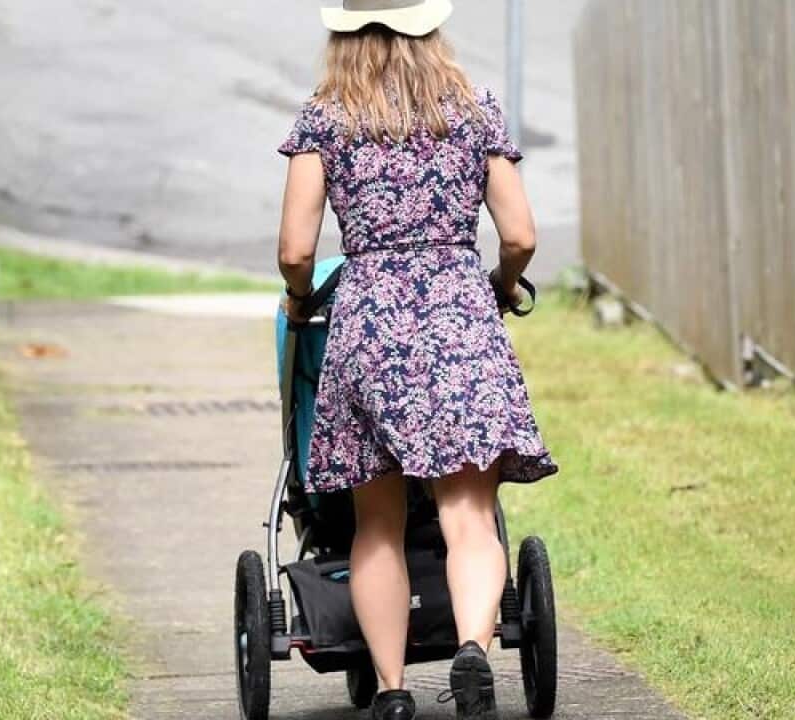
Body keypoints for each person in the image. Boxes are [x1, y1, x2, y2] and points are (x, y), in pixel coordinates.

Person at [275, 1, 557, 718]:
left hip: (369, 322)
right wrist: (496, 285)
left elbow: (296, 250)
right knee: (469, 513)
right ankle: (470, 648)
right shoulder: (471, 110)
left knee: (378, 526)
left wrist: (301, 300)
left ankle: (394, 691)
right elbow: (520, 233)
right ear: (429, 27)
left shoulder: (326, 118)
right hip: (460, 315)